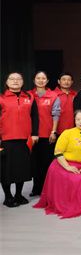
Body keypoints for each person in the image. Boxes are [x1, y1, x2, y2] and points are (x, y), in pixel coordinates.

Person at [34, 109, 81, 218]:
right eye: (78, 119)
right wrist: (68, 167)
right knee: (79, 179)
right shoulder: (67, 133)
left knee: (79, 179)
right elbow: (58, 152)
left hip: (80, 166)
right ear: (74, 120)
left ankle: (75, 201)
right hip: (61, 165)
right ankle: (71, 205)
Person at [0, 73, 38, 207]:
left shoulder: (29, 97)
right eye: (12, 79)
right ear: (6, 82)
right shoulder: (1, 98)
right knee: (6, 171)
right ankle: (8, 197)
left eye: (18, 79)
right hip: (5, 140)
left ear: (22, 82)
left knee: (21, 169)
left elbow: (35, 117)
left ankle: (18, 195)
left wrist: (34, 134)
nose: (15, 81)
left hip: (24, 140)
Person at [29, 71, 59, 197]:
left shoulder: (53, 95)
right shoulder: (28, 95)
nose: (41, 80)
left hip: (47, 134)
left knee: (46, 163)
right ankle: (36, 188)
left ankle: (46, 189)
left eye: (43, 78)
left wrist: (53, 131)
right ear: (34, 80)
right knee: (34, 163)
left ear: (47, 81)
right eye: (38, 78)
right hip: (32, 135)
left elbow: (56, 115)